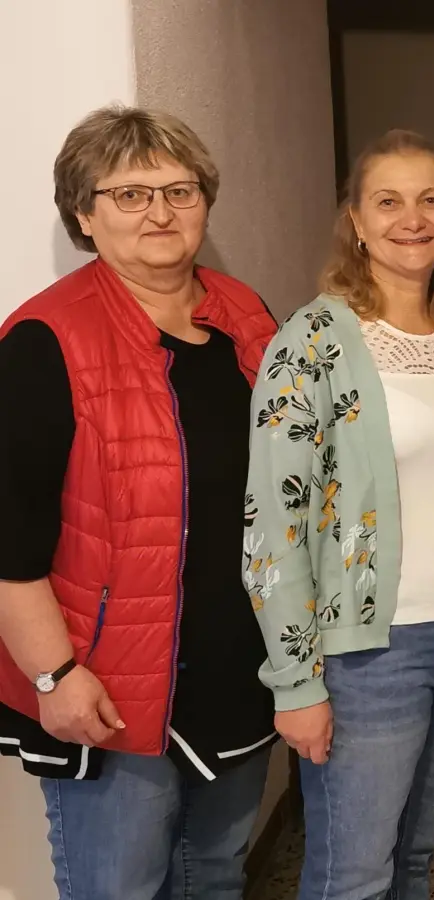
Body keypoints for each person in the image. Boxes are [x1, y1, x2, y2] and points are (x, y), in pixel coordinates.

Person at [0, 105, 279, 900]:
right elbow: (8, 540)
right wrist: (55, 676)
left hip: (236, 672)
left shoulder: (245, 315)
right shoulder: (43, 340)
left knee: (215, 877)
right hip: (109, 693)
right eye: (129, 194)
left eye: (179, 191)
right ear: (84, 214)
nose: (160, 212)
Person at [244, 129, 434, 900]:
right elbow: (272, 527)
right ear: (357, 223)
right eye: (389, 201)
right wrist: (295, 683)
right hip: (370, 656)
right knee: (354, 876)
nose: (413, 218)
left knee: (416, 858)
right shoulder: (312, 341)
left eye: (431, 199)